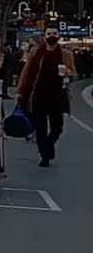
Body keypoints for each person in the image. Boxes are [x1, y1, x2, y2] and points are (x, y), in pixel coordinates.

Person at [16, 26, 75, 167]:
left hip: (57, 96)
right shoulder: (36, 52)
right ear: (44, 36)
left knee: (57, 127)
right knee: (40, 128)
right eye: (49, 33)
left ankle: (48, 147)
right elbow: (27, 71)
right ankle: (45, 156)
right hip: (37, 95)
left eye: (54, 33)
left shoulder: (66, 54)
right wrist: (20, 91)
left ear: (59, 36)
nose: (52, 36)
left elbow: (74, 74)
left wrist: (67, 72)